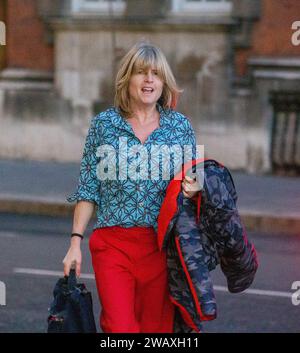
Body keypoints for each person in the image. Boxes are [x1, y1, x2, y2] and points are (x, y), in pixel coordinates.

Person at [63, 41, 200, 333]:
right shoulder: (104, 125)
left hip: (161, 248)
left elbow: (198, 182)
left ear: (164, 82)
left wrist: (192, 190)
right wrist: (75, 242)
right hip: (113, 245)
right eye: (141, 72)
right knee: (120, 327)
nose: (149, 79)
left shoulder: (181, 127)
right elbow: (89, 187)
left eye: (156, 74)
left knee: (156, 330)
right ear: (128, 79)